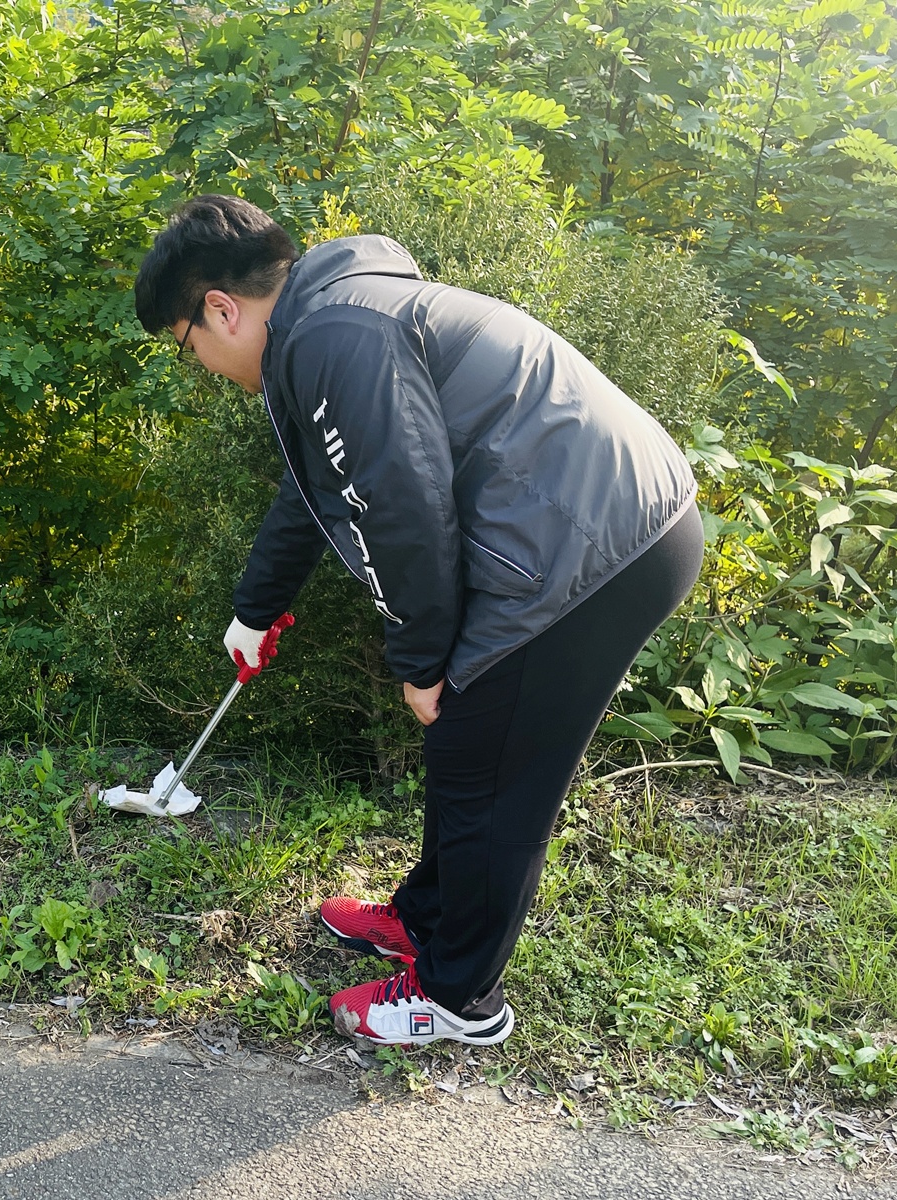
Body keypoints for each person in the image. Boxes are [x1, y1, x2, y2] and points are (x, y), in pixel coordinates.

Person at [133, 195, 703, 1047]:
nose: (202, 365)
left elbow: (402, 506)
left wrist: (423, 662)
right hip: (592, 526)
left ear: (219, 309)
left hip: (591, 545)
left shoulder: (334, 337)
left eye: (188, 349)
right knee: (469, 748)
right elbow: (317, 487)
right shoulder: (330, 321)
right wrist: (256, 609)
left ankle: (456, 998)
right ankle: (423, 919)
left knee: (486, 764)